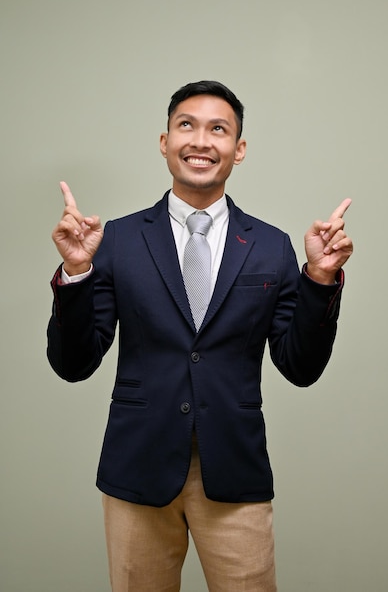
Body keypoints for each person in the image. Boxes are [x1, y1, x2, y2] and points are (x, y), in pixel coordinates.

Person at [47, 80, 353, 592]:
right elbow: (73, 363)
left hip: (233, 469)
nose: (201, 141)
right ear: (164, 141)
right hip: (137, 466)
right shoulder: (116, 240)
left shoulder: (271, 247)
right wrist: (77, 272)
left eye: (219, 129)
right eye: (186, 125)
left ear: (239, 149)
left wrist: (318, 279)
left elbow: (300, 367)